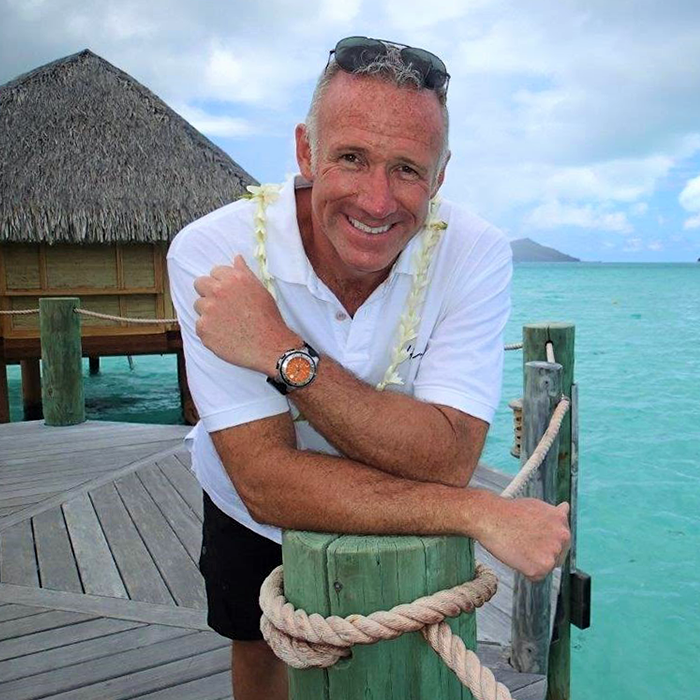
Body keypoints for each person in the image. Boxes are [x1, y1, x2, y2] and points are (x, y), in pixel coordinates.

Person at [167, 36, 570, 700]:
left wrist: (281, 351)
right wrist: (474, 512)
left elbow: (446, 455)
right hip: (248, 511)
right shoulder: (215, 252)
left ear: (439, 177)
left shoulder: (474, 252)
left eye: (407, 169)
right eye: (351, 157)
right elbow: (265, 482)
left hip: (405, 500)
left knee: (405, 665)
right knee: (258, 645)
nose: (377, 202)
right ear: (305, 151)